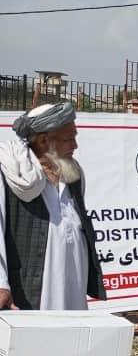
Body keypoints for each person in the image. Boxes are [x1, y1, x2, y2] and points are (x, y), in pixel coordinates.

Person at [0, 102, 105, 311]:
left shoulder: (74, 174)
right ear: (43, 140)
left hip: (72, 285)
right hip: (30, 287)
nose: (75, 145)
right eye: (69, 139)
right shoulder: (9, 173)